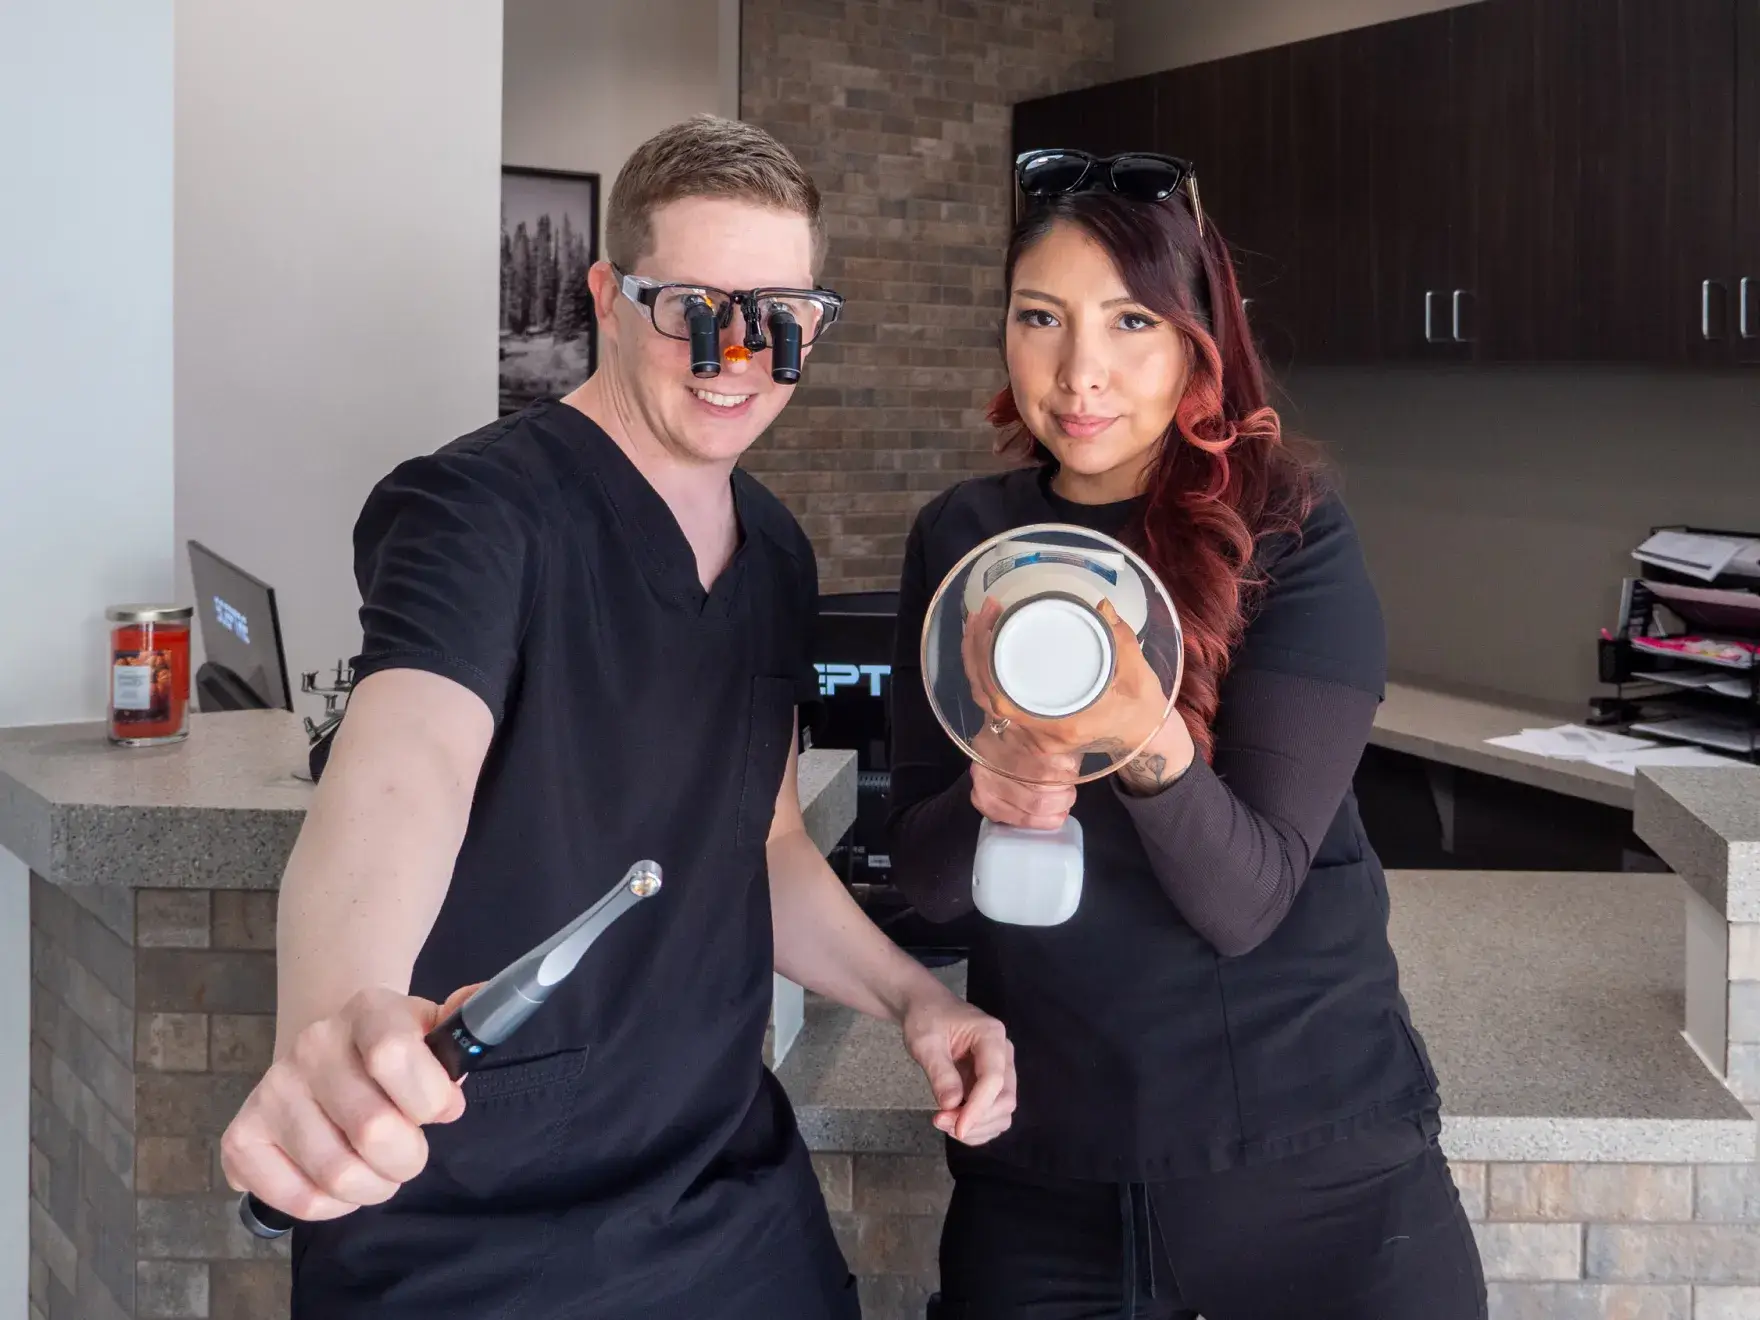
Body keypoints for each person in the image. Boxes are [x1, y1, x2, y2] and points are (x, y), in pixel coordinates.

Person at [219, 114, 1017, 1320]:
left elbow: (766, 842)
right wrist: (337, 1032)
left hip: (725, 1192)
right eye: (689, 307)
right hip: (475, 1213)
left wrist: (919, 997)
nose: (733, 356)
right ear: (604, 293)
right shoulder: (475, 512)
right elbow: (404, 768)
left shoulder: (777, 557)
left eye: (779, 320)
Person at [886, 148, 1487, 1320]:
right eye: (1039, 319)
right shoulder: (964, 539)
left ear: (1198, 341)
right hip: (1049, 1175)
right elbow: (924, 885)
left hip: (1311, 1167)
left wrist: (1143, 739)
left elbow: (1246, 898)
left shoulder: (1287, 532)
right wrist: (990, 796)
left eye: (1127, 323)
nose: (1078, 373)